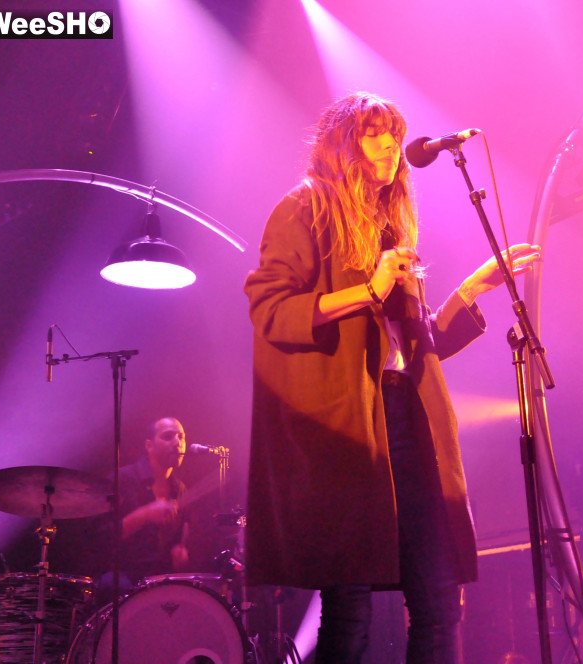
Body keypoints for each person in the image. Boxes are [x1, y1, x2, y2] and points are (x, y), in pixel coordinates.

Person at [243, 91, 540, 663]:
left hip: (406, 416)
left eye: (394, 134)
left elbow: (413, 346)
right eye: (374, 133)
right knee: (350, 607)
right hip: (348, 424)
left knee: (439, 601)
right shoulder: (304, 207)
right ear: (343, 144)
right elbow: (270, 310)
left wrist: (472, 289)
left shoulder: (388, 226)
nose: (389, 146)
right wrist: (369, 289)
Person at [114, 416, 190, 585]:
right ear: (149, 445)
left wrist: (178, 552)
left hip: (158, 579)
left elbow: (178, 541)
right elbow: (101, 540)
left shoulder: (180, 489)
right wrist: (145, 514)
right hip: (123, 575)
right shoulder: (123, 479)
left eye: (181, 437)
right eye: (168, 436)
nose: (178, 443)